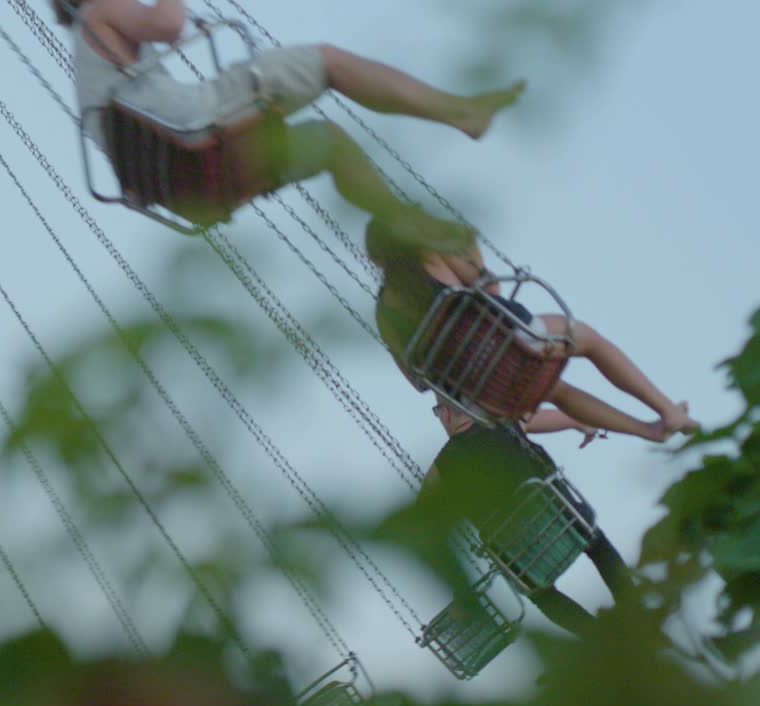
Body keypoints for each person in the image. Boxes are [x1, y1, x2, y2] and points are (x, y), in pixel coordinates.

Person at [53, 0, 524, 235]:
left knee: (329, 143)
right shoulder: (101, 9)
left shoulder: (85, 55)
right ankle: (462, 112)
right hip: (201, 124)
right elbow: (170, 25)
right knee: (330, 61)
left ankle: (406, 225)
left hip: (184, 183)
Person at [367, 213, 699, 442]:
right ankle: (666, 412)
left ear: (376, 259)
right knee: (588, 339)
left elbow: (418, 381)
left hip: (484, 395)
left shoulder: (384, 314)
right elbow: (491, 290)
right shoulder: (431, 256)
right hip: (514, 344)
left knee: (556, 391)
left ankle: (647, 431)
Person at [423, 399, 633, 637]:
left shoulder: (441, 470)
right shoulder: (506, 422)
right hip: (567, 527)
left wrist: (459, 595)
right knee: (597, 544)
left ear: (447, 413)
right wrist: (582, 425)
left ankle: (596, 636)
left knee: (540, 595)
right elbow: (567, 416)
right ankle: (635, 607)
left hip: (526, 561)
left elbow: (428, 526)